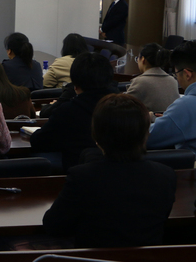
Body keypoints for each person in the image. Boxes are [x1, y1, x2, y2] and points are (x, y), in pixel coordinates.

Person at [43, 94, 176, 248]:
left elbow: (53, 226)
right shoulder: (166, 175)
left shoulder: (82, 177)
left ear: (96, 134)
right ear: (146, 134)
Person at [30, 52, 118, 170]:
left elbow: (38, 141)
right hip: (123, 174)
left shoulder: (68, 111)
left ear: (75, 84)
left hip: (79, 173)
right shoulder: (125, 106)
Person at [147, 39, 196, 159]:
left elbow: (146, 138)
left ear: (187, 74)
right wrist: (173, 120)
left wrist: (145, 120)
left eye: (176, 74)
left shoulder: (185, 107)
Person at [125, 43, 179, 114]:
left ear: (143, 59)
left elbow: (124, 107)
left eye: (137, 58)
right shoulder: (173, 81)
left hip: (150, 120)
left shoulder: (140, 81)